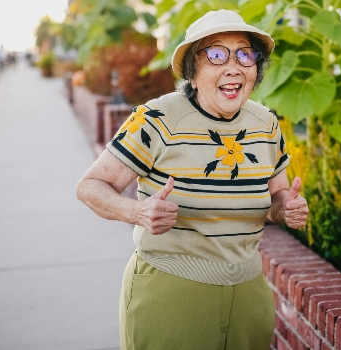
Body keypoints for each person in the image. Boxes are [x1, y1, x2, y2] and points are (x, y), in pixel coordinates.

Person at [75, 9, 309, 350]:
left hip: (249, 294)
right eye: (216, 54)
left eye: (245, 54)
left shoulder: (266, 123)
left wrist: (286, 207)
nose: (234, 66)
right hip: (171, 293)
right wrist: (136, 212)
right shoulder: (157, 118)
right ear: (193, 72)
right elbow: (90, 186)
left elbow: (277, 197)